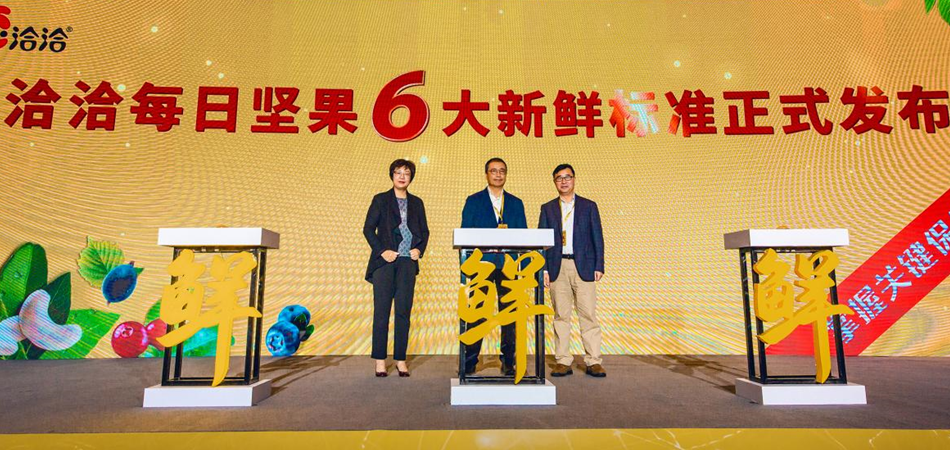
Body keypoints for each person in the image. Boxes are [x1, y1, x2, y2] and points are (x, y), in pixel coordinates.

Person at [460, 157, 527, 376]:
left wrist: (524, 268)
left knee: (510, 314)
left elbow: (525, 237)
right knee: (477, 313)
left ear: (506, 174)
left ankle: (508, 361)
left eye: (502, 171)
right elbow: (465, 233)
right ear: (486, 174)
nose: (498, 174)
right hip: (483, 265)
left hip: (509, 265)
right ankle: (469, 361)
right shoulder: (474, 201)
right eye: (493, 171)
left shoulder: (516, 203)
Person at [538, 164, 606, 377]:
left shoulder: (589, 206)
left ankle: (593, 360)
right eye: (559, 178)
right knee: (561, 315)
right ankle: (563, 360)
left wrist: (599, 265)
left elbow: (597, 237)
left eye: (567, 177)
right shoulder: (547, 208)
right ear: (554, 182)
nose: (564, 181)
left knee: (588, 314)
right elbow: (542, 241)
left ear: (574, 179)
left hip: (584, 265)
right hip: (557, 266)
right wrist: (544, 269)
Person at [363, 159, 429, 377]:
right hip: (385, 263)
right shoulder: (380, 200)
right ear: (392, 175)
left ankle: (401, 359)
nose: (402, 176)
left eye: (406, 173)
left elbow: (425, 232)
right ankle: (380, 361)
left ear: (411, 177)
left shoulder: (417, 203)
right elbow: (368, 229)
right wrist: (382, 251)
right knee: (382, 312)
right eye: (398, 172)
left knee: (403, 312)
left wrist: (419, 250)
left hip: (407, 263)